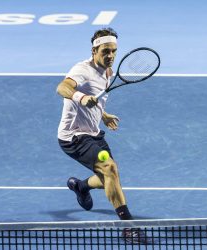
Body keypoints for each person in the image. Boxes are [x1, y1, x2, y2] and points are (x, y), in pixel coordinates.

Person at [56, 28, 149, 244]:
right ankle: (128, 228)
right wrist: (80, 97)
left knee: (108, 177)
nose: (111, 56)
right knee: (110, 169)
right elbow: (62, 87)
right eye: (106, 51)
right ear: (94, 50)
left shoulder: (108, 72)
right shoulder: (82, 70)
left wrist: (103, 115)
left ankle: (81, 186)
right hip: (73, 137)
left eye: (114, 51)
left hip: (93, 133)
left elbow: (96, 100)